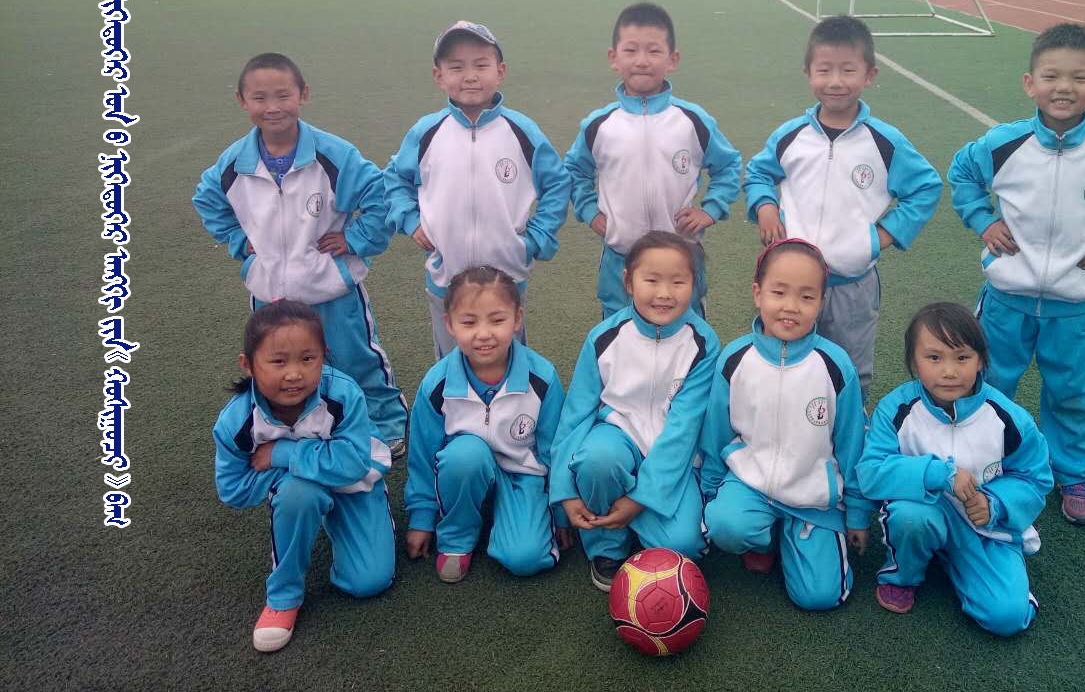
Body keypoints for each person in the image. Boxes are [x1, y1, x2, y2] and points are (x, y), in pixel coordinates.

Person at [948, 22, 1085, 525]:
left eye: (1079, 78)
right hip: (1005, 299)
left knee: (1072, 391)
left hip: (1074, 304)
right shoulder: (1004, 143)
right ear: (1030, 83)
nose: (1064, 88)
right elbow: (962, 175)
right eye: (1051, 76)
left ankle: (1075, 473)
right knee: (987, 379)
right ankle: (984, 457)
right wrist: (984, 220)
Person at [194, 53, 407, 454]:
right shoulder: (234, 164)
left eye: (283, 95)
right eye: (259, 98)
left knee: (355, 358)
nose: (272, 107)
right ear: (241, 100)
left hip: (331, 288)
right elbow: (207, 200)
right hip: (270, 294)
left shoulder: (333, 154)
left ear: (303, 94)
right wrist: (240, 241)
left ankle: (384, 422)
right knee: (282, 362)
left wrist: (355, 239)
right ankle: (304, 422)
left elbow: (380, 197)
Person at [744, 15, 942, 392]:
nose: (835, 81)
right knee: (783, 360)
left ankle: (849, 427)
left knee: (849, 370)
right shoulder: (791, 136)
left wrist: (880, 236)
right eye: (824, 70)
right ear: (808, 73)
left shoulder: (884, 141)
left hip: (852, 283)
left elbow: (926, 187)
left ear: (869, 75)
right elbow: (758, 173)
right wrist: (765, 206)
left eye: (848, 70)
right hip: (791, 281)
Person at [858, 302, 1052, 636]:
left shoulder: (1008, 418)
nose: (949, 371)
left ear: (981, 360)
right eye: (934, 358)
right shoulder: (897, 408)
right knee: (910, 517)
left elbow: (1035, 478)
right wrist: (939, 474)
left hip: (984, 530)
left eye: (962, 357)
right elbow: (872, 472)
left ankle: (959, 562)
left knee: (1007, 617)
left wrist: (996, 504)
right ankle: (903, 574)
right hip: (925, 513)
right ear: (913, 362)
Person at [212, 300, 394, 653]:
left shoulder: (343, 394)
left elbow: (356, 463)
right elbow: (233, 489)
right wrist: (295, 477)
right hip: (301, 488)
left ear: (324, 356)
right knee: (300, 493)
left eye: (307, 359)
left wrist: (282, 455)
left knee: (368, 582)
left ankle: (331, 516)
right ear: (248, 365)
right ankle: (284, 596)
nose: (294, 374)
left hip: (356, 484)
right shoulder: (236, 422)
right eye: (278, 362)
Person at [700, 239, 871, 611]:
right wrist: (710, 492)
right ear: (758, 293)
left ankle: (793, 534)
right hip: (751, 485)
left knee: (819, 597)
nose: (791, 306)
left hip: (813, 498)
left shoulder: (835, 366)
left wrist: (857, 512)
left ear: (821, 303)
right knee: (725, 525)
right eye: (779, 292)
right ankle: (763, 537)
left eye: (807, 297)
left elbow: (852, 445)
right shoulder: (735, 359)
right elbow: (716, 432)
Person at [384, 20, 571, 359]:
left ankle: (514, 396)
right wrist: (410, 220)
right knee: (452, 362)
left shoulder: (521, 130)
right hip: (445, 277)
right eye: (457, 67)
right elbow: (395, 179)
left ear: (500, 72)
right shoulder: (427, 132)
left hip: (507, 275)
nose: (470, 76)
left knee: (509, 359)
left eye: (481, 65)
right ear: (439, 76)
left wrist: (534, 240)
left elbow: (557, 183)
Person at [550, 231, 721, 592]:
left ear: (694, 284)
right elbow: (575, 417)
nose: (664, 293)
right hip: (618, 437)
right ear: (628, 281)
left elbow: (682, 432)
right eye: (651, 280)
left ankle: (631, 517)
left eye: (678, 282)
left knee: (684, 547)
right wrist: (564, 490)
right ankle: (607, 547)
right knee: (598, 460)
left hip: (672, 459)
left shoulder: (704, 343)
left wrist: (639, 500)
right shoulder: (604, 337)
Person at [564, 2, 741, 318]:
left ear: (673, 60)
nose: (642, 61)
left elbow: (728, 166)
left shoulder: (692, 120)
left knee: (686, 337)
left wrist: (710, 209)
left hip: (681, 258)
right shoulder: (599, 125)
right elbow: (575, 170)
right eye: (631, 50)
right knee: (619, 335)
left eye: (654, 51)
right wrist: (590, 211)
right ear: (614, 58)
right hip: (621, 257)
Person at [404, 266, 570, 583]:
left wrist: (560, 511)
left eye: (497, 320)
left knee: (525, 559)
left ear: (517, 319)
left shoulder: (542, 377)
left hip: (522, 476)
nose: (483, 334)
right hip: (465, 473)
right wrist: (422, 518)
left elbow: (555, 450)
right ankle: (457, 536)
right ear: (449, 324)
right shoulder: (436, 384)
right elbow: (422, 455)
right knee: (464, 455)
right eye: (469, 322)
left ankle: (511, 516)